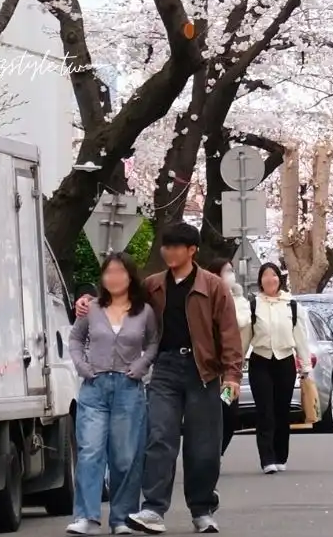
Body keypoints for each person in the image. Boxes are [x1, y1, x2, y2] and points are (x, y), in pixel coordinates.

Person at [77, 223, 242, 535]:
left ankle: (202, 509)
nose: (169, 252)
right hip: (165, 369)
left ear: (192, 250)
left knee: (203, 445)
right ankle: (153, 508)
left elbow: (229, 333)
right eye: (166, 246)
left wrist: (232, 375)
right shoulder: (153, 285)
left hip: (204, 372)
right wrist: (88, 300)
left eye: (176, 246)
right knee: (160, 438)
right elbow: (119, 298)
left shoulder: (213, 286)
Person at [68, 254, 159, 536]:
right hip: (94, 387)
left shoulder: (144, 311)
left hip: (128, 388)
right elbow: (75, 338)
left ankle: (121, 518)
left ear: (130, 276)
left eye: (120, 272)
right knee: (90, 452)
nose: (114, 277)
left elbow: (153, 342)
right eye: (109, 272)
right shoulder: (91, 308)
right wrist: (82, 366)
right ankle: (86, 516)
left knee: (125, 456)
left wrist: (141, 366)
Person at [237, 262, 312, 474]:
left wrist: (305, 366)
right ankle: (267, 458)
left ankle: (280, 455)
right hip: (260, 361)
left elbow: (300, 338)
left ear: (280, 279)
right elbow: (245, 339)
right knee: (265, 411)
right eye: (266, 276)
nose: (270, 279)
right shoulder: (254, 305)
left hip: (285, 361)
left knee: (281, 411)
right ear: (260, 281)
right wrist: (236, 364)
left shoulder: (291, 305)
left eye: (274, 275)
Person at [203, 259, 244, 455]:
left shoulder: (240, 301)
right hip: (211, 371)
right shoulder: (206, 300)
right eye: (226, 271)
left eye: (231, 270)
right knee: (211, 415)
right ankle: (209, 455)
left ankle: (217, 452)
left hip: (230, 371)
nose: (231, 275)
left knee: (229, 412)